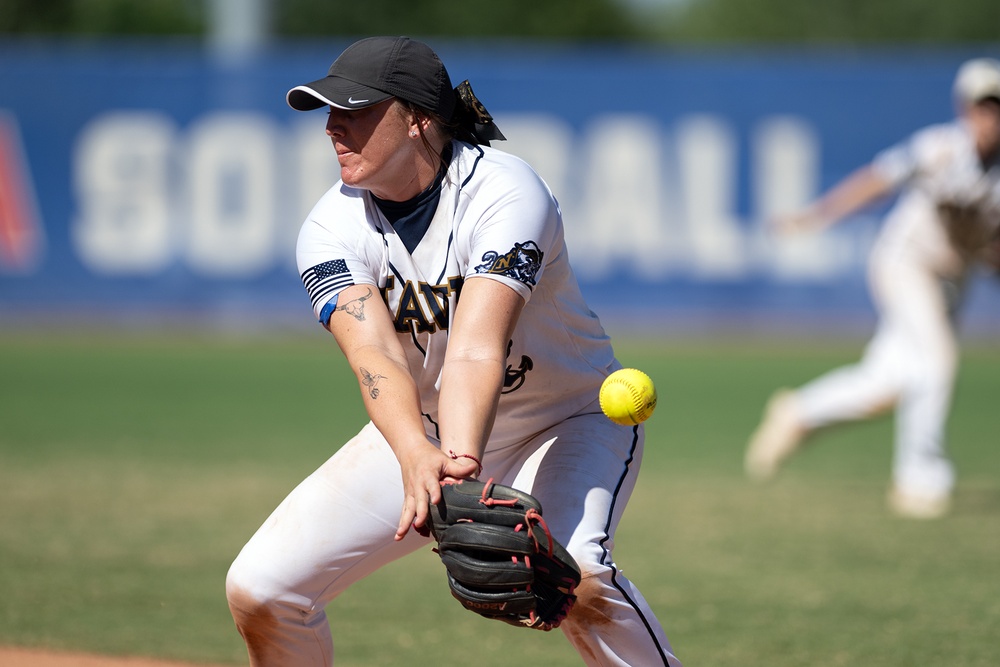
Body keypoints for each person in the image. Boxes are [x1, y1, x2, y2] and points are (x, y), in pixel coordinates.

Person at [225, 36, 683, 666]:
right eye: (328, 111)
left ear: (417, 119)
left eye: (356, 110)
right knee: (260, 589)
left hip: (567, 420)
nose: (332, 126)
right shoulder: (330, 227)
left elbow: (475, 347)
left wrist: (460, 466)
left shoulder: (505, 191)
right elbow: (376, 356)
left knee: (578, 573)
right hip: (428, 427)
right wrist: (416, 451)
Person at [744, 57, 1000, 519]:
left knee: (888, 383)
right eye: (984, 106)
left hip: (951, 283)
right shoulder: (940, 148)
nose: (991, 117)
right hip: (905, 263)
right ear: (966, 109)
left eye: (997, 108)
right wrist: (816, 215)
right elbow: (877, 180)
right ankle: (920, 479)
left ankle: (798, 412)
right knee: (938, 359)